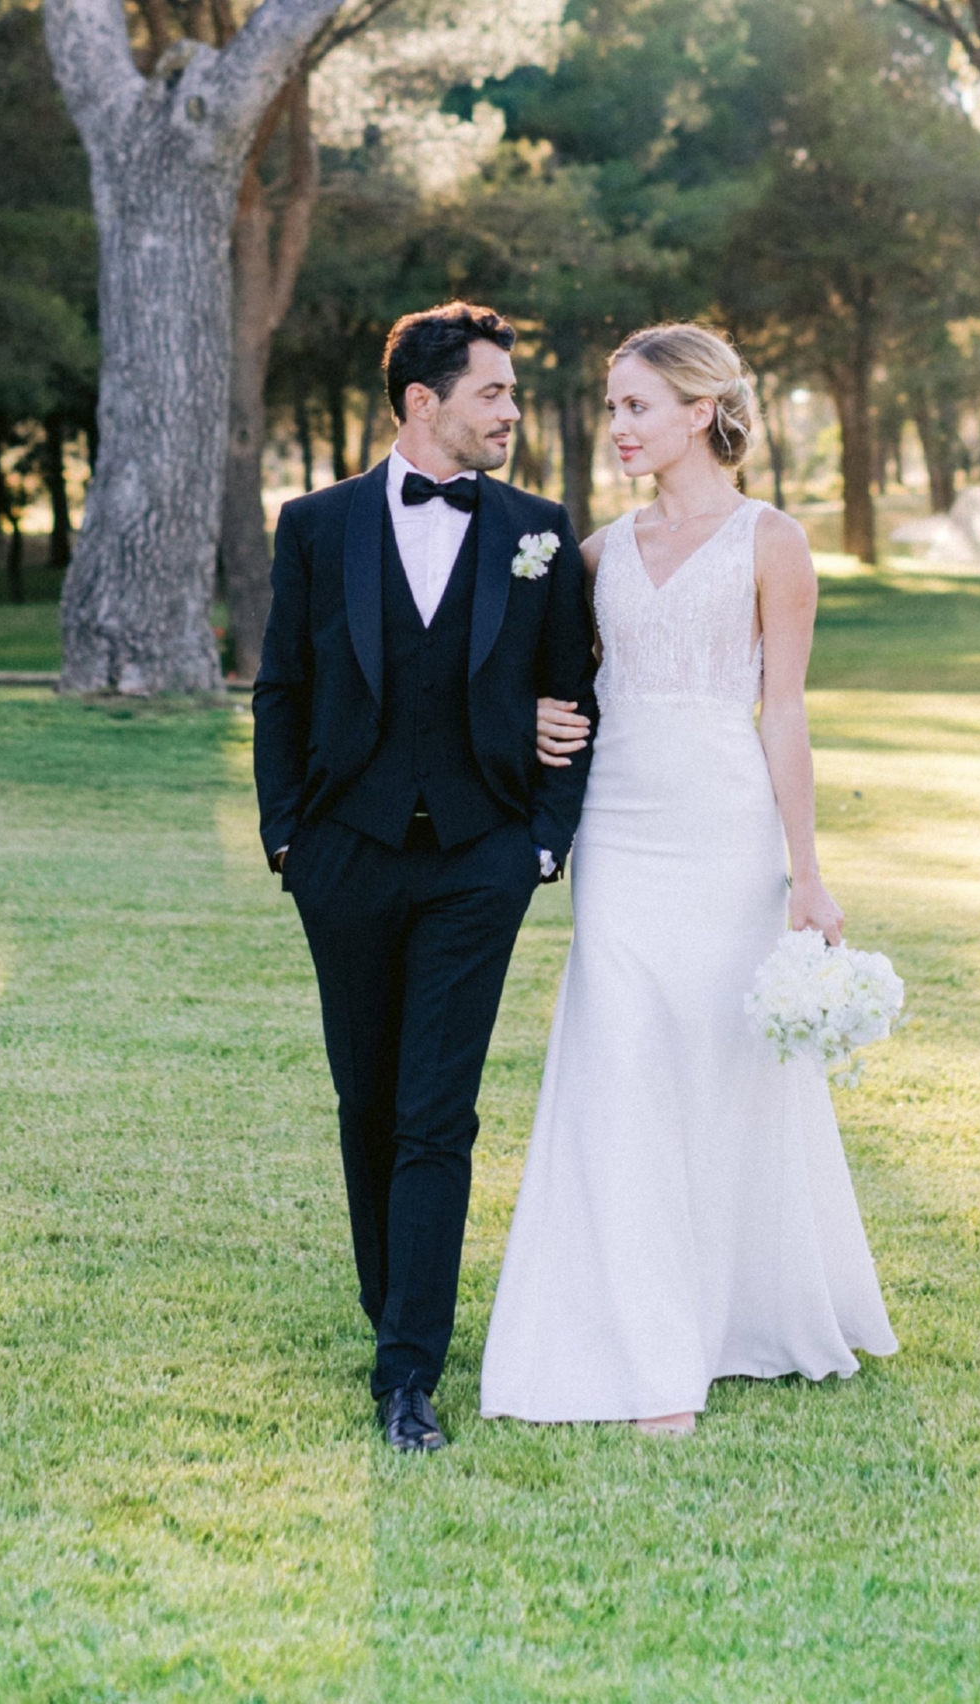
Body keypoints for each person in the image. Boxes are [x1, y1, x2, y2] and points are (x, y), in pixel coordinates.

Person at [481, 322, 897, 1435]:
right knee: (620, 1053)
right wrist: (533, 719)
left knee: (722, 1063)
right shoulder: (595, 556)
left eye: (637, 406)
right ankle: (633, 1335)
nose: (617, 427)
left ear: (701, 410)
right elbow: (548, 682)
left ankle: (728, 1319)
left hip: (726, 830)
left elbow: (785, 712)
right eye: (613, 406)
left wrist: (807, 874)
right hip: (619, 833)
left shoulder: (773, 542)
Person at [253, 303, 597, 1455]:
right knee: (367, 1100)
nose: (512, 412)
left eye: (512, 394)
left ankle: (409, 1370)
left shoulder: (539, 531)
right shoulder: (316, 525)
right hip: (343, 854)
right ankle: (388, 1301)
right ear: (422, 401)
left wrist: (540, 841)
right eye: (493, 392)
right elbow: (283, 690)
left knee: (437, 1111)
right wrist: (289, 839)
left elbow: (574, 697)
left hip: (477, 859)